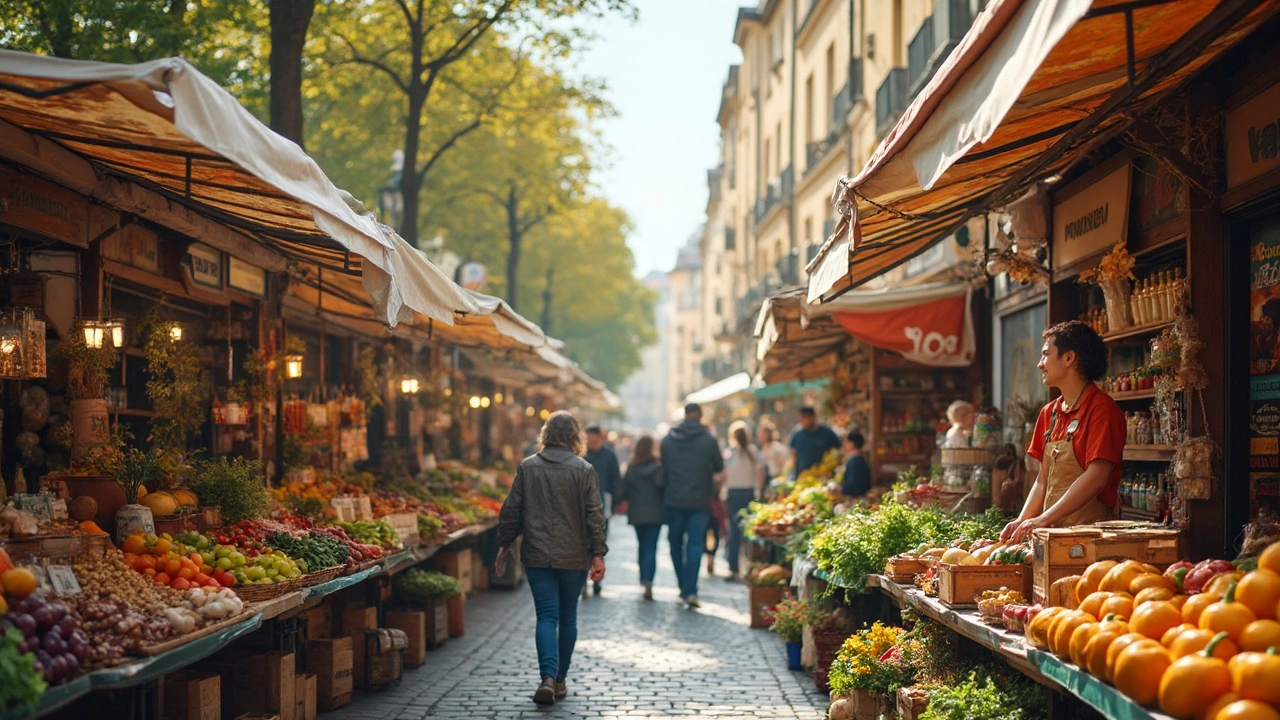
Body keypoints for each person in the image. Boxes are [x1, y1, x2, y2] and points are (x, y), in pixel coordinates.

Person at [495, 411, 608, 705]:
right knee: (568, 615)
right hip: (574, 556)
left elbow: (512, 510)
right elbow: (595, 516)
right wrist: (598, 554)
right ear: (575, 436)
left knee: (547, 615)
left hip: (537, 554)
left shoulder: (527, 467)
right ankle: (559, 680)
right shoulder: (584, 469)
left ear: (546, 434)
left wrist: (505, 542)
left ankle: (546, 676)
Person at [1000, 321, 1126, 544]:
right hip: (1051, 538)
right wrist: (1022, 520)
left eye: (1046, 354)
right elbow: (1042, 480)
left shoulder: (1102, 410)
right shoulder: (1050, 413)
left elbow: (1097, 477)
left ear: (1069, 358)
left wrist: (1043, 519)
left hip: (1090, 539)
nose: (1040, 365)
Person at [660, 403, 724, 608]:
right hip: (699, 501)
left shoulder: (668, 440)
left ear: (685, 416)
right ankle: (691, 590)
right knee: (696, 544)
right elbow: (719, 468)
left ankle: (683, 587)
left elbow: (663, 469)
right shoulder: (708, 440)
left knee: (675, 544)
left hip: (673, 500)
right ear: (700, 417)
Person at [616, 435, 663, 600]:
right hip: (655, 513)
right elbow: (662, 487)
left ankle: (643, 579)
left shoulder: (631, 467)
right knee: (651, 548)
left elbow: (623, 490)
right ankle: (649, 580)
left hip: (637, 512)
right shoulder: (659, 467)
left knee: (642, 546)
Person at [722, 421, 765, 581]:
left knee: (734, 533)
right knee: (748, 533)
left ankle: (734, 569)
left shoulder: (730, 453)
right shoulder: (752, 453)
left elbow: (724, 474)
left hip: (733, 494)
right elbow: (759, 472)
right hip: (748, 494)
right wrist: (759, 491)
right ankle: (748, 568)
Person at [584, 427, 621, 597]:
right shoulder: (581, 453)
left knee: (599, 542)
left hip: (602, 505)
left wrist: (613, 506)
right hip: (582, 505)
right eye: (589, 440)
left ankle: (597, 579)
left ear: (600, 438)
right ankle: (583, 580)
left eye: (595, 440)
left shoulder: (609, 454)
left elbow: (616, 480)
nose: (592, 443)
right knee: (582, 543)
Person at [789, 407, 841, 478]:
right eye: (800, 419)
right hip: (803, 476)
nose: (802, 422)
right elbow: (794, 455)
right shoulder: (797, 434)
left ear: (813, 417)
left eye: (804, 419)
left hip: (824, 475)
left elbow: (837, 451)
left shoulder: (827, 433)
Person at [840, 431, 872, 501]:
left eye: (847, 442)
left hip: (858, 500)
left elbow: (854, 486)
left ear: (852, 444)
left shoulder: (855, 461)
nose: (844, 445)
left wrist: (840, 488)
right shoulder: (858, 459)